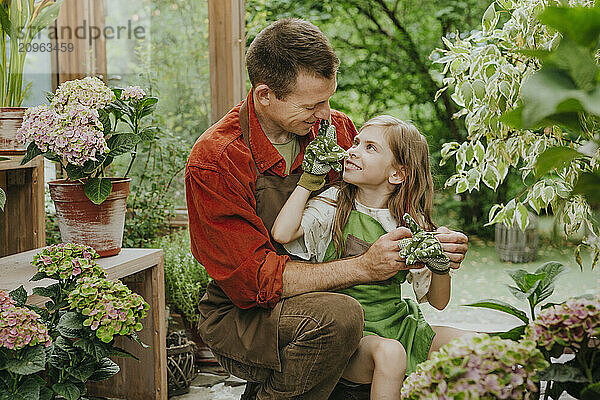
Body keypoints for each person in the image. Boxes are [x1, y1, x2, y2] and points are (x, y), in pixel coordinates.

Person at [185, 18, 469, 400]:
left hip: (350, 306)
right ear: (265, 95)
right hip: (245, 316)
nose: (327, 114)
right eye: (313, 104)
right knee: (341, 316)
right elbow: (254, 281)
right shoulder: (216, 160)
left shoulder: (333, 129)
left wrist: (437, 250)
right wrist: (364, 266)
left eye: (329, 97)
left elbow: (381, 191)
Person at [272, 115, 474, 399]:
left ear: (397, 174)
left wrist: (440, 266)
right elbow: (282, 233)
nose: (352, 150)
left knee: (474, 346)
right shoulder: (334, 203)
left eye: (370, 147)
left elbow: (438, 302)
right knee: (391, 354)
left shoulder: (409, 223)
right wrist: (309, 180)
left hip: (400, 325)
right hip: (352, 337)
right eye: (355, 143)